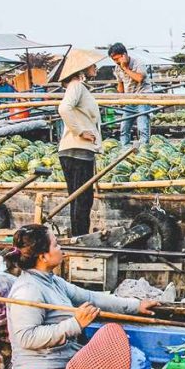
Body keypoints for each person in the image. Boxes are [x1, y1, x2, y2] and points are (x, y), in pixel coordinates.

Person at [5, 224, 158, 369]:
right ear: (43, 257)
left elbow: (91, 297)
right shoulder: (28, 289)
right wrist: (75, 324)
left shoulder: (53, 281)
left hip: (67, 364)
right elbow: (27, 337)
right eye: (56, 245)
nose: (60, 248)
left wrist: (136, 306)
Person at [56, 49, 105, 237]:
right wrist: (81, 131)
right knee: (82, 199)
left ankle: (79, 236)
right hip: (77, 149)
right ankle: (79, 237)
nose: (95, 68)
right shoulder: (76, 86)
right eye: (92, 65)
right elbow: (64, 108)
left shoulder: (79, 88)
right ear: (83, 68)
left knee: (79, 198)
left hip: (76, 151)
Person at [109, 42, 153, 146]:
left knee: (142, 128)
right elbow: (120, 85)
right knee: (124, 128)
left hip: (142, 99)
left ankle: (144, 149)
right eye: (114, 60)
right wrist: (119, 99)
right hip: (130, 100)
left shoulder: (138, 63)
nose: (116, 62)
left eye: (117, 59)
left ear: (124, 54)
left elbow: (139, 78)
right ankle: (124, 150)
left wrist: (125, 68)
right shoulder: (117, 68)